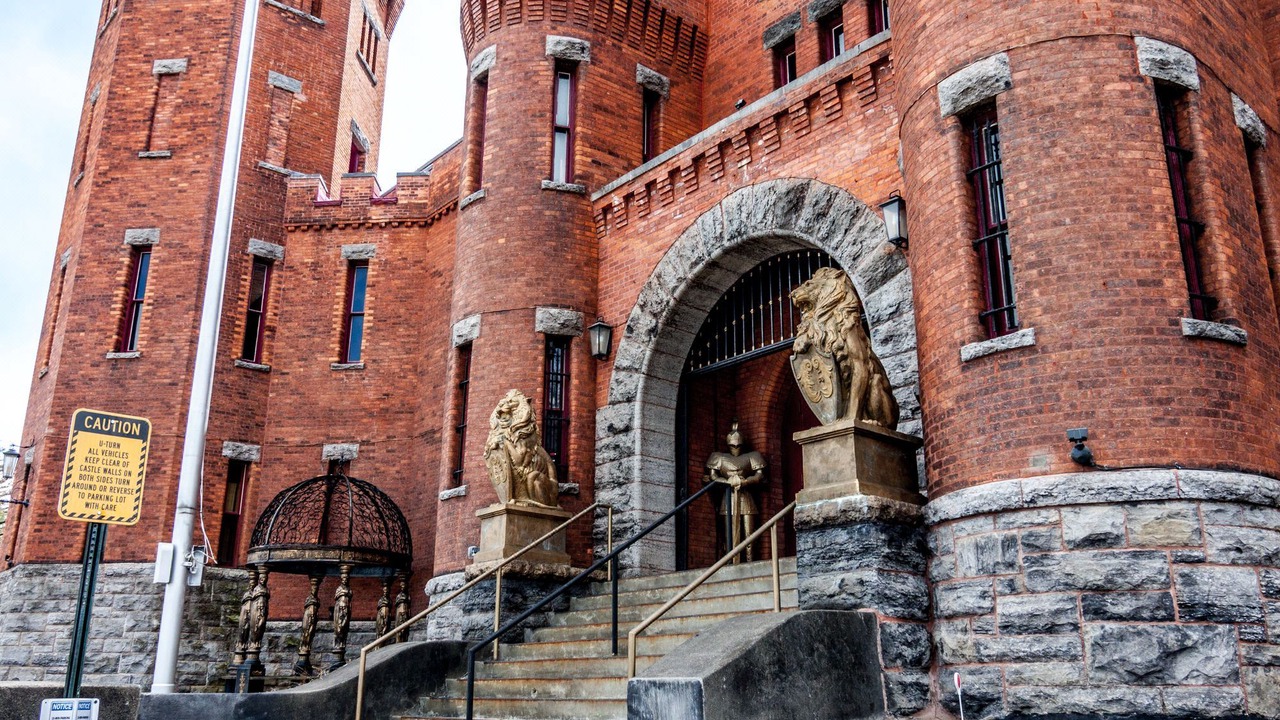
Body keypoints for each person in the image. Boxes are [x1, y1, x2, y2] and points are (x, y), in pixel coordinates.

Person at [705, 421, 767, 562]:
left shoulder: (752, 456)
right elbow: (713, 476)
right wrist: (727, 482)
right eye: (733, 445)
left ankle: (750, 562)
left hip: (746, 497)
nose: (736, 448)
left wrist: (746, 481)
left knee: (749, 535)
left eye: (738, 445)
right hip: (728, 498)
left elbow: (759, 475)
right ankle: (730, 563)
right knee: (729, 536)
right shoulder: (719, 457)